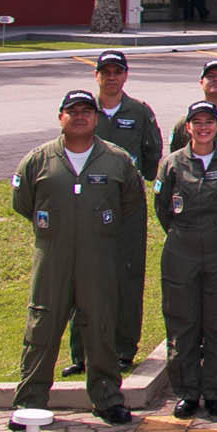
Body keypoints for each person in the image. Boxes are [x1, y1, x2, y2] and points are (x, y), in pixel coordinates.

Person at [10, 91, 147, 427]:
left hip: (98, 259)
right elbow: (23, 201)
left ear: (96, 118)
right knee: (42, 326)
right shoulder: (39, 160)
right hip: (52, 259)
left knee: (100, 327)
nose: (81, 116)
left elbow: (129, 203)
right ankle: (30, 402)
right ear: (61, 117)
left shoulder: (116, 160)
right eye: (73, 111)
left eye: (88, 111)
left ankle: (106, 399)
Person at [155, 100, 217, 419]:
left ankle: (214, 390)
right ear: (188, 128)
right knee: (183, 322)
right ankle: (186, 392)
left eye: (209, 121)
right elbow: (163, 209)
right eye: (197, 122)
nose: (203, 127)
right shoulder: (171, 163)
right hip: (182, 245)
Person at [68, 51, 160, 377]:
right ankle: (81, 354)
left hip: (127, 208)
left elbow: (152, 157)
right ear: (96, 76)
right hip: (85, 207)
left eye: (116, 72)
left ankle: (124, 349)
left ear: (125, 75)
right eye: (105, 72)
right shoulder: (82, 110)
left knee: (127, 278)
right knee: (82, 277)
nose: (111, 78)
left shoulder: (139, 112)